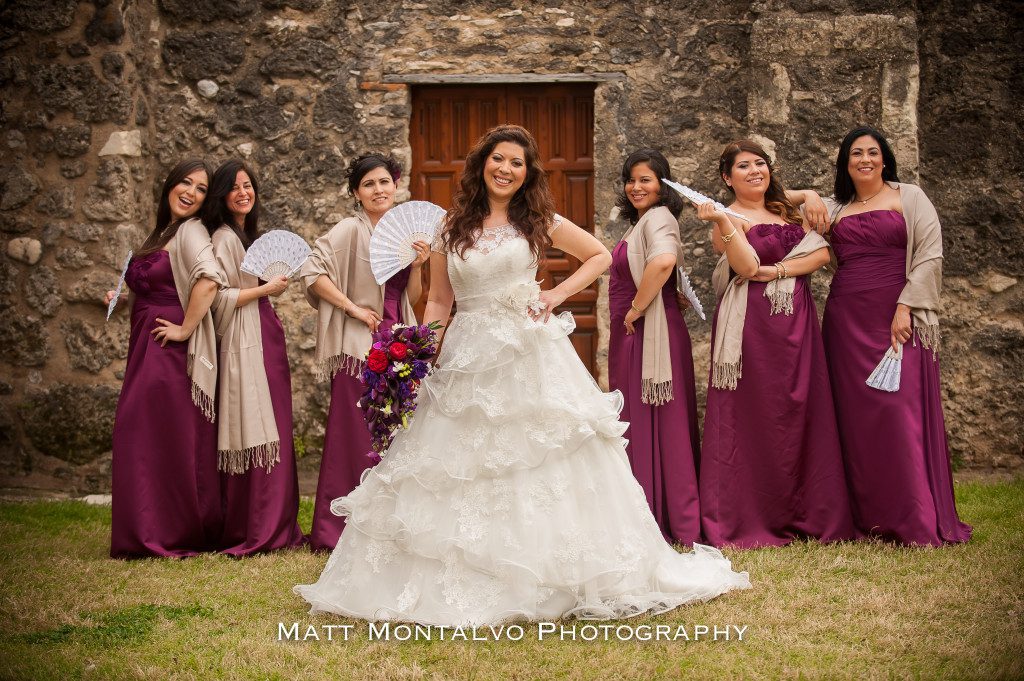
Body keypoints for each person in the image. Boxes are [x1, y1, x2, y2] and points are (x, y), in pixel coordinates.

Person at [295, 125, 750, 625]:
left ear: (527, 172)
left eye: (517, 162)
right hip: (468, 351)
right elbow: (442, 301)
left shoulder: (537, 219)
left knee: (540, 456)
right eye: (498, 159)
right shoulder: (452, 227)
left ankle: (555, 571)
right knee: (458, 462)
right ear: (482, 163)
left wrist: (556, 294)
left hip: (529, 350)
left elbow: (598, 256)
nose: (506, 169)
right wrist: (419, 350)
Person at [696, 139, 855, 548]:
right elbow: (747, 267)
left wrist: (780, 268)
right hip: (753, 325)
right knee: (755, 413)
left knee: (800, 408)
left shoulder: (786, 209)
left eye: (760, 163)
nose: (754, 171)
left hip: (797, 320)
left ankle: (807, 511)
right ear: (726, 179)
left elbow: (820, 256)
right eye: (743, 166)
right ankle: (748, 514)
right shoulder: (725, 219)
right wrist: (726, 224)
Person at [820, 126, 971, 546]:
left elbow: (930, 253)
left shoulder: (910, 196)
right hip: (846, 319)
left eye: (872, 152)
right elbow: (798, 216)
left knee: (898, 413)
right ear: (845, 164)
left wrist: (906, 306)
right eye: (855, 154)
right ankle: (867, 518)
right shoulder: (834, 207)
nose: (864, 160)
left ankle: (914, 519)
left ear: (885, 158)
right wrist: (810, 198)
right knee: (855, 421)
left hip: (898, 315)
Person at [301, 153, 428, 552]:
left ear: (396, 186)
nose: (379, 190)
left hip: (398, 343)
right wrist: (353, 308)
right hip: (360, 346)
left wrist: (421, 265)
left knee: (395, 436)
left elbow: (415, 298)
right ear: (357, 193)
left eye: (385, 182)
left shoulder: (406, 235)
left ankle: (387, 527)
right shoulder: (348, 231)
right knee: (353, 435)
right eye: (369, 184)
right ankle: (338, 528)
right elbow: (311, 271)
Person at [107, 158, 224, 558]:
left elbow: (209, 280)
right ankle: (146, 528)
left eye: (201, 189)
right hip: (144, 345)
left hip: (168, 349)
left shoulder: (191, 231)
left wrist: (185, 329)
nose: (190, 192)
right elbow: (153, 280)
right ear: (170, 185)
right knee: (148, 435)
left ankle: (165, 532)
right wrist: (122, 295)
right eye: (185, 183)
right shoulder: (162, 232)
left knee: (152, 434)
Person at [202, 159, 305, 556]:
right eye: (235, 187)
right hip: (247, 341)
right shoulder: (224, 239)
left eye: (249, 185)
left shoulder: (245, 236)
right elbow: (217, 296)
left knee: (275, 425)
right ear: (222, 195)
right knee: (256, 424)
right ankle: (258, 527)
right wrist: (266, 290)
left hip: (265, 337)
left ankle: (278, 524)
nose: (244, 192)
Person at [608, 148, 701, 544]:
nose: (635, 186)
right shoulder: (644, 221)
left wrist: (635, 308)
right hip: (636, 328)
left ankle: (666, 516)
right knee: (642, 417)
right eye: (631, 179)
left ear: (663, 185)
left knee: (653, 418)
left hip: (644, 330)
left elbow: (663, 261)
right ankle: (649, 510)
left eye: (645, 179)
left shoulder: (660, 216)